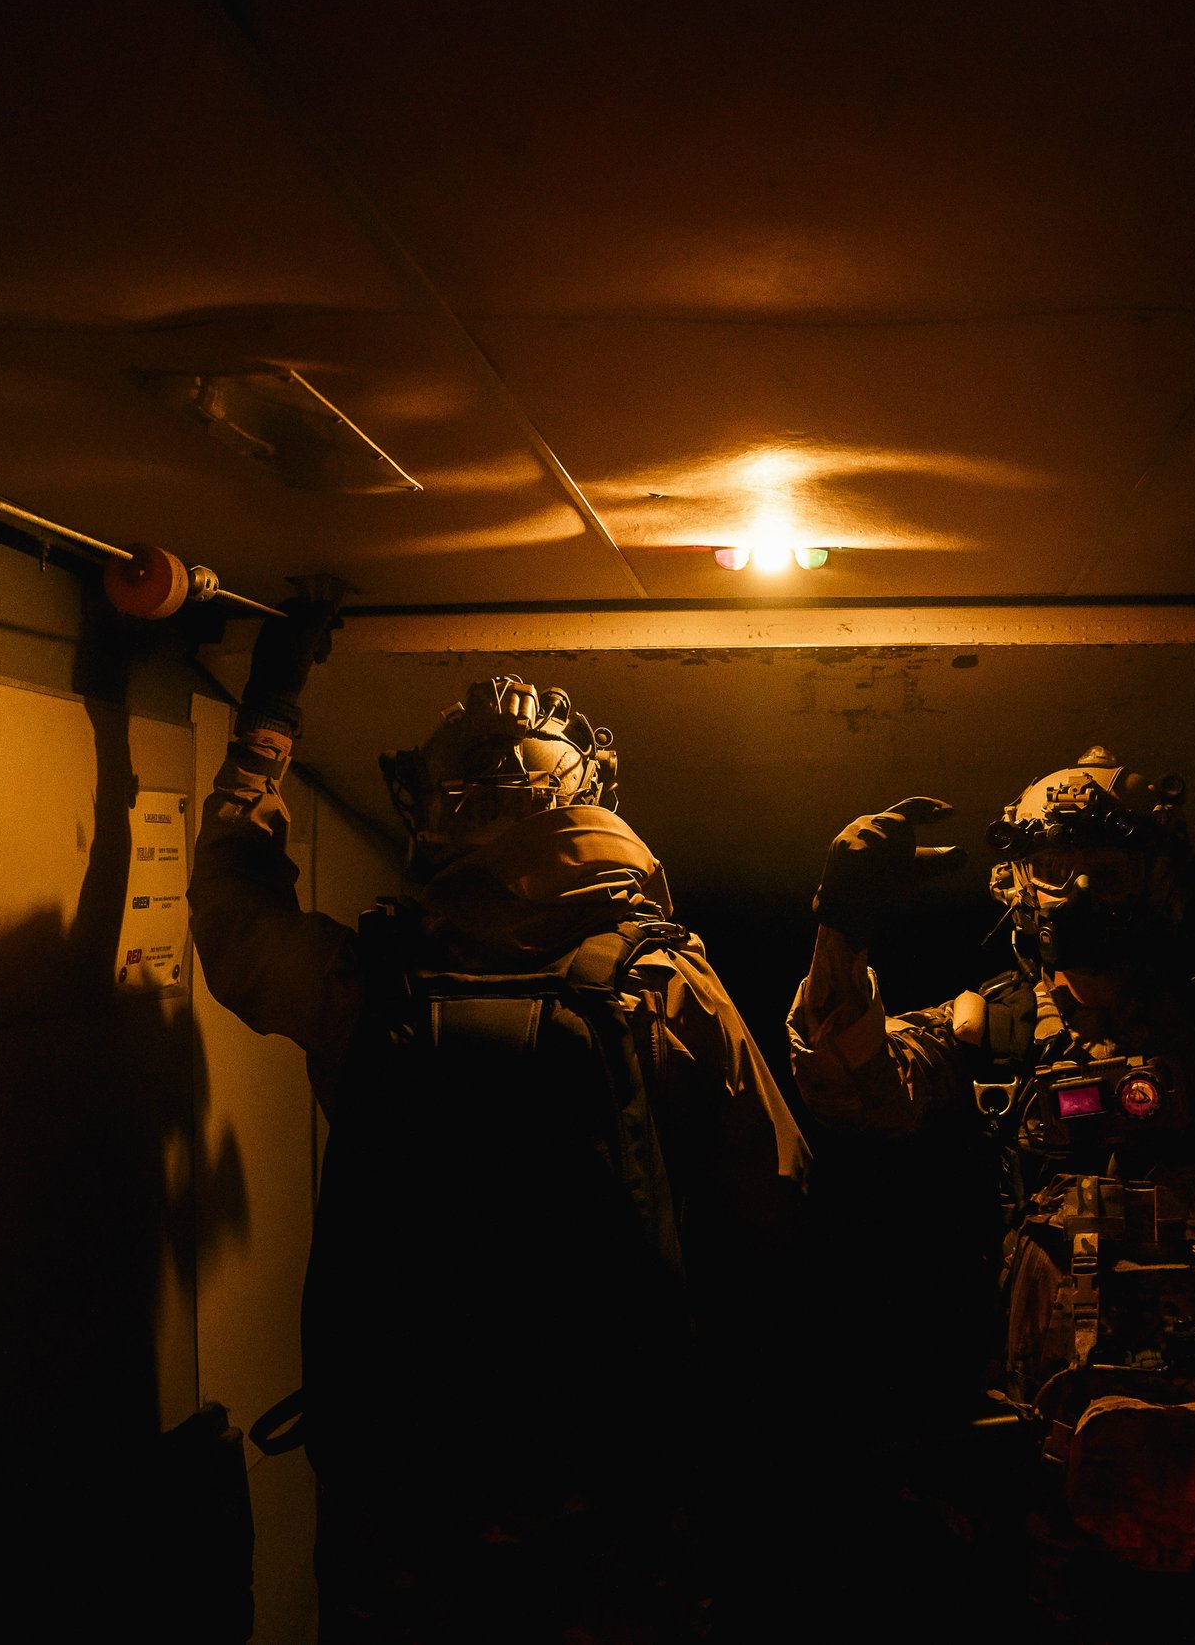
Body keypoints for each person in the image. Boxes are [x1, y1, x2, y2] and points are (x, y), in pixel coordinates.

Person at [787, 545, 1195, 1643]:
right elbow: (848, 1092)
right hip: (1053, 1426)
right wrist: (840, 928)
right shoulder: (997, 1024)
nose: (1076, 890)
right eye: (1053, 865)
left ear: (1163, 874)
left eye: (1105, 866)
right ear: (1013, 880)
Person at [189, 601, 809, 1643]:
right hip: (614, 1491)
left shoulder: (369, 981)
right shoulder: (665, 982)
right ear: (584, 801)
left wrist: (268, 718)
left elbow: (233, 916)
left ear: (433, 811)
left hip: (409, 1497)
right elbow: (776, 1205)